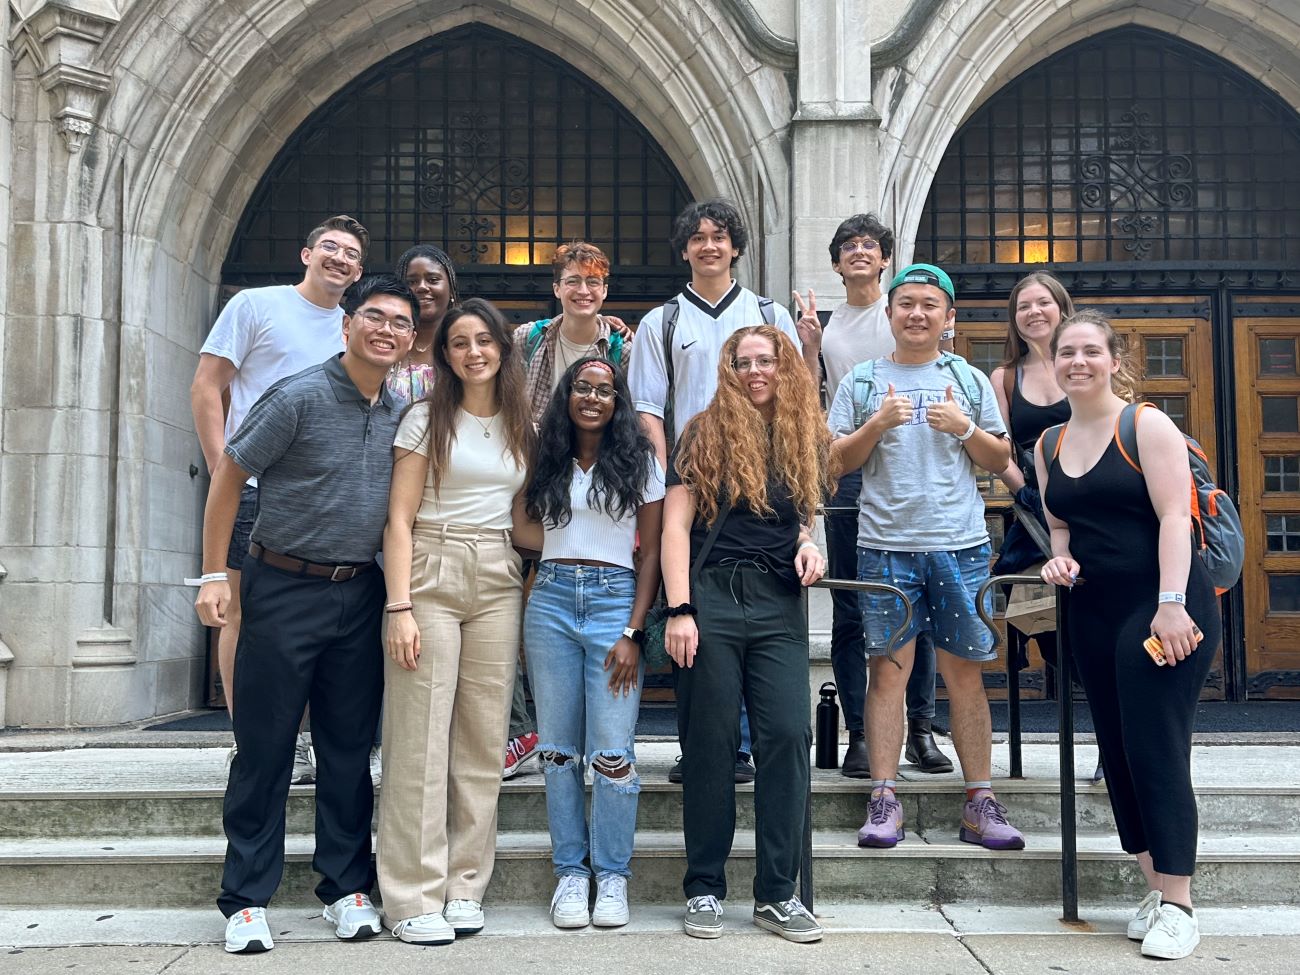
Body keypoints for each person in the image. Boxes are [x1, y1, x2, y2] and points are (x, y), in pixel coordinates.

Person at [193, 274, 418, 953]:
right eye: (373, 316)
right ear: (346, 326)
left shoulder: (401, 408)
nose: (386, 329)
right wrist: (213, 573)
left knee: (349, 749)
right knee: (263, 747)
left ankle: (346, 887)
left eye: (400, 322)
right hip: (283, 586)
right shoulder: (297, 394)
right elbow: (230, 476)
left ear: (409, 340)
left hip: (360, 594)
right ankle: (245, 898)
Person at [1037, 309, 1220, 961]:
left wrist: (1172, 604)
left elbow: (1176, 518)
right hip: (1094, 609)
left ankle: (1180, 903)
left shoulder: (1144, 425)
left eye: (1090, 350)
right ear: (1053, 361)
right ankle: (1155, 885)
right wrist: (1058, 557)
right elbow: (1060, 524)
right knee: (1115, 750)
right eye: (1066, 351)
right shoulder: (1049, 443)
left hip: (1163, 601)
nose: (1077, 361)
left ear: (1114, 360)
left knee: (1154, 745)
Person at [828, 263, 1024, 852]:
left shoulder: (966, 378)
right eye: (906, 303)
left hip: (959, 544)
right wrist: (878, 424)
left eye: (929, 305)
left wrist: (965, 428)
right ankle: (885, 798)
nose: (917, 313)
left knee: (965, 676)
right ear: (888, 315)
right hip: (885, 547)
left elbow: (998, 460)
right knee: (887, 674)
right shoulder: (862, 381)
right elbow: (834, 463)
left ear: (949, 318)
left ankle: (979, 801)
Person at [629, 198, 807, 783]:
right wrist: (667, 478)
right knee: (694, 615)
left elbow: (798, 401)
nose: (710, 245)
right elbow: (649, 410)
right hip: (693, 481)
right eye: (698, 237)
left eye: (720, 236)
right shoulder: (664, 321)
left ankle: (747, 747)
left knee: (757, 617)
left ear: (736, 247)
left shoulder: (767, 312)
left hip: (764, 481)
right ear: (684, 249)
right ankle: (704, 747)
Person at [664, 325, 829, 944]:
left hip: (778, 602)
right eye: (743, 361)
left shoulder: (801, 434)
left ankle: (777, 894)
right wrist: (680, 609)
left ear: (784, 366)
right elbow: (675, 528)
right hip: (711, 597)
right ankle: (704, 886)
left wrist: (811, 546)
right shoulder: (702, 432)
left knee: (788, 734)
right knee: (708, 743)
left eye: (766, 360)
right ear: (727, 369)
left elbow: (803, 521)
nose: (755, 371)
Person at [378, 296, 535, 945]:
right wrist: (399, 607)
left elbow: (526, 520)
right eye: (460, 342)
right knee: (419, 739)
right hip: (431, 568)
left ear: (502, 347)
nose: (474, 351)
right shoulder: (424, 417)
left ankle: (465, 884)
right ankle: (412, 894)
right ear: (445, 355)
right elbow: (398, 519)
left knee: (482, 740)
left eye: (484, 341)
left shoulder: (523, 423)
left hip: (498, 573)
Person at [190, 214, 367, 782]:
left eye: (352, 255)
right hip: (253, 488)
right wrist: (224, 469)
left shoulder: (352, 327)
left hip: (323, 498)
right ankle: (256, 742)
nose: (340, 258)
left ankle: (308, 738)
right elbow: (206, 386)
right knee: (243, 616)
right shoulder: (255, 306)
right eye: (330, 247)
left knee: (312, 623)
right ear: (305, 253)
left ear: (359, 271)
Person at [796, 213, 950, 778]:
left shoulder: (903, 313)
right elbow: (812, 406)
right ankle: (860, 734)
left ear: (886, 258)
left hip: (914, 469)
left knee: (921, 603)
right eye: (848, 246)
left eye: (869, 245)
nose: (859, 251)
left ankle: (923, 731)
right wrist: (810, 347)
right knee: (852, 608)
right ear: (836, 263)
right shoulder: (827, 325)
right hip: (851, 473)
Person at [514, 357, 664, 930]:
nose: (593, 398)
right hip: (550, 596)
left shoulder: (639, 460)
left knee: (612, 752)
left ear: (617, 399)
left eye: (605, 390)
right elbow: (520, 525)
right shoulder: (544, 455)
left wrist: (632, 629)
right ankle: (571, 875)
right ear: (567, 396)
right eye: (583, 388)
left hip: (612, 599)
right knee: (556, 751)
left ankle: (614, 877)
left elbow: (649, 553)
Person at [501, 241, 633, 781]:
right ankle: (522, 732)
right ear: (557, 288)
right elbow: (508, 406)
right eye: (573, 280)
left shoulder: (623, 344)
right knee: (520, 617)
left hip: (600, 491)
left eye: (594, 282)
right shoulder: (527, 340)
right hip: (537, 480)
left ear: (606, 290)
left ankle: (574, 736)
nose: (584, 290)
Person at [989, 273, 1102, 783]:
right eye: (1023, 305)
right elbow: (999, 450)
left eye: (1043, 302)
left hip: (1097, 513)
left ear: (1062, 307)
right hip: (1035, 520)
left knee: (1105, 627)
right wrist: (1024, 492)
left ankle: (1114, 736)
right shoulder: (1006, 378)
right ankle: (1089, 728)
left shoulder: (1085, 360)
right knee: (1051, 633)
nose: (1033, 311)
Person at [388, 244, 459, 408]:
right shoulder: (385, 340)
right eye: (412, 281)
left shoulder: (466, 345)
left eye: (433, 280)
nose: (421, 287)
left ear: (451, 289)